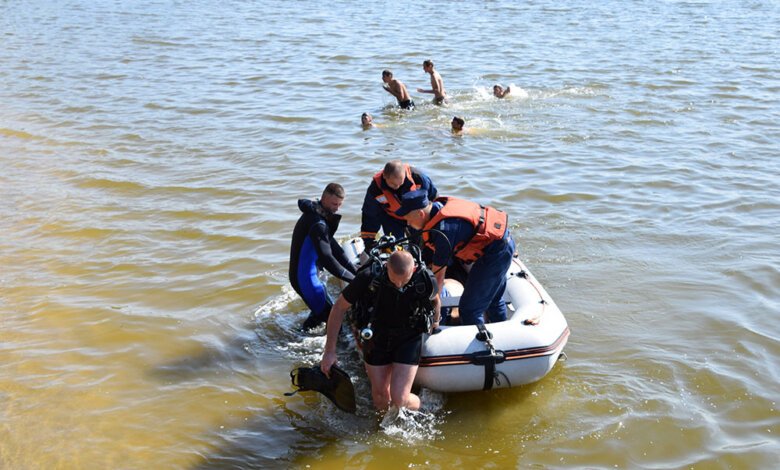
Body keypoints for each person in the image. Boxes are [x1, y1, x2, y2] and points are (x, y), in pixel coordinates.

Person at [320, 250, 439, 411]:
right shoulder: (369, 276)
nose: (398, 285)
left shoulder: (425, 279)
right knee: (381, 398)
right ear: (386, 268)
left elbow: (435, 301)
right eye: (394, 280)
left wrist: (435, 323)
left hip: (409, 336)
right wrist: (329, 351)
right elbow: (339, 308)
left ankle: (426, 406)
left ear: (414, 270)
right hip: (376, 336)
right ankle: (384, 427)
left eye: (404, 282)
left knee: (400, 398)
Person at [397, 190, 516, 326]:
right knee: (494, 298)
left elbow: (438, 281)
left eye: (409, 219)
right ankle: (500, 327)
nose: (407, 223)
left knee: (469, 309)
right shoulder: (438, 208)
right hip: (500, 241)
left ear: (420, 214)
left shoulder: (443, 233)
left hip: (495, 253)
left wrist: (433, 311)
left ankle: (479, 343)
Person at [289, 183, 357, 331]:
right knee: (335, 323)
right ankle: (325, 351)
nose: (336, 208)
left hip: (309, 274)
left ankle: (301, 334)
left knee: (320, 313)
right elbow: (328, 259)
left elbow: (336, 250)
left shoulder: (318, 214)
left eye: (339, 205)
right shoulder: (317, 223)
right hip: (305, 279)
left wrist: (355, 271)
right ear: (324, 199)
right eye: (334, 203)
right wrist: (354, 280)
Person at [361, 160, 438, 253]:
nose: (397, 187)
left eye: (400, 184)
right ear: (384, 176)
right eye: (393, 184)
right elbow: (370, 215)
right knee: (395, 247)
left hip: (416, 217)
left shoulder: (419, 178)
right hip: (392, 218)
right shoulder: (375, 190)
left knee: (420, 247)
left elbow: (434, 201)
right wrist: (369, 242)